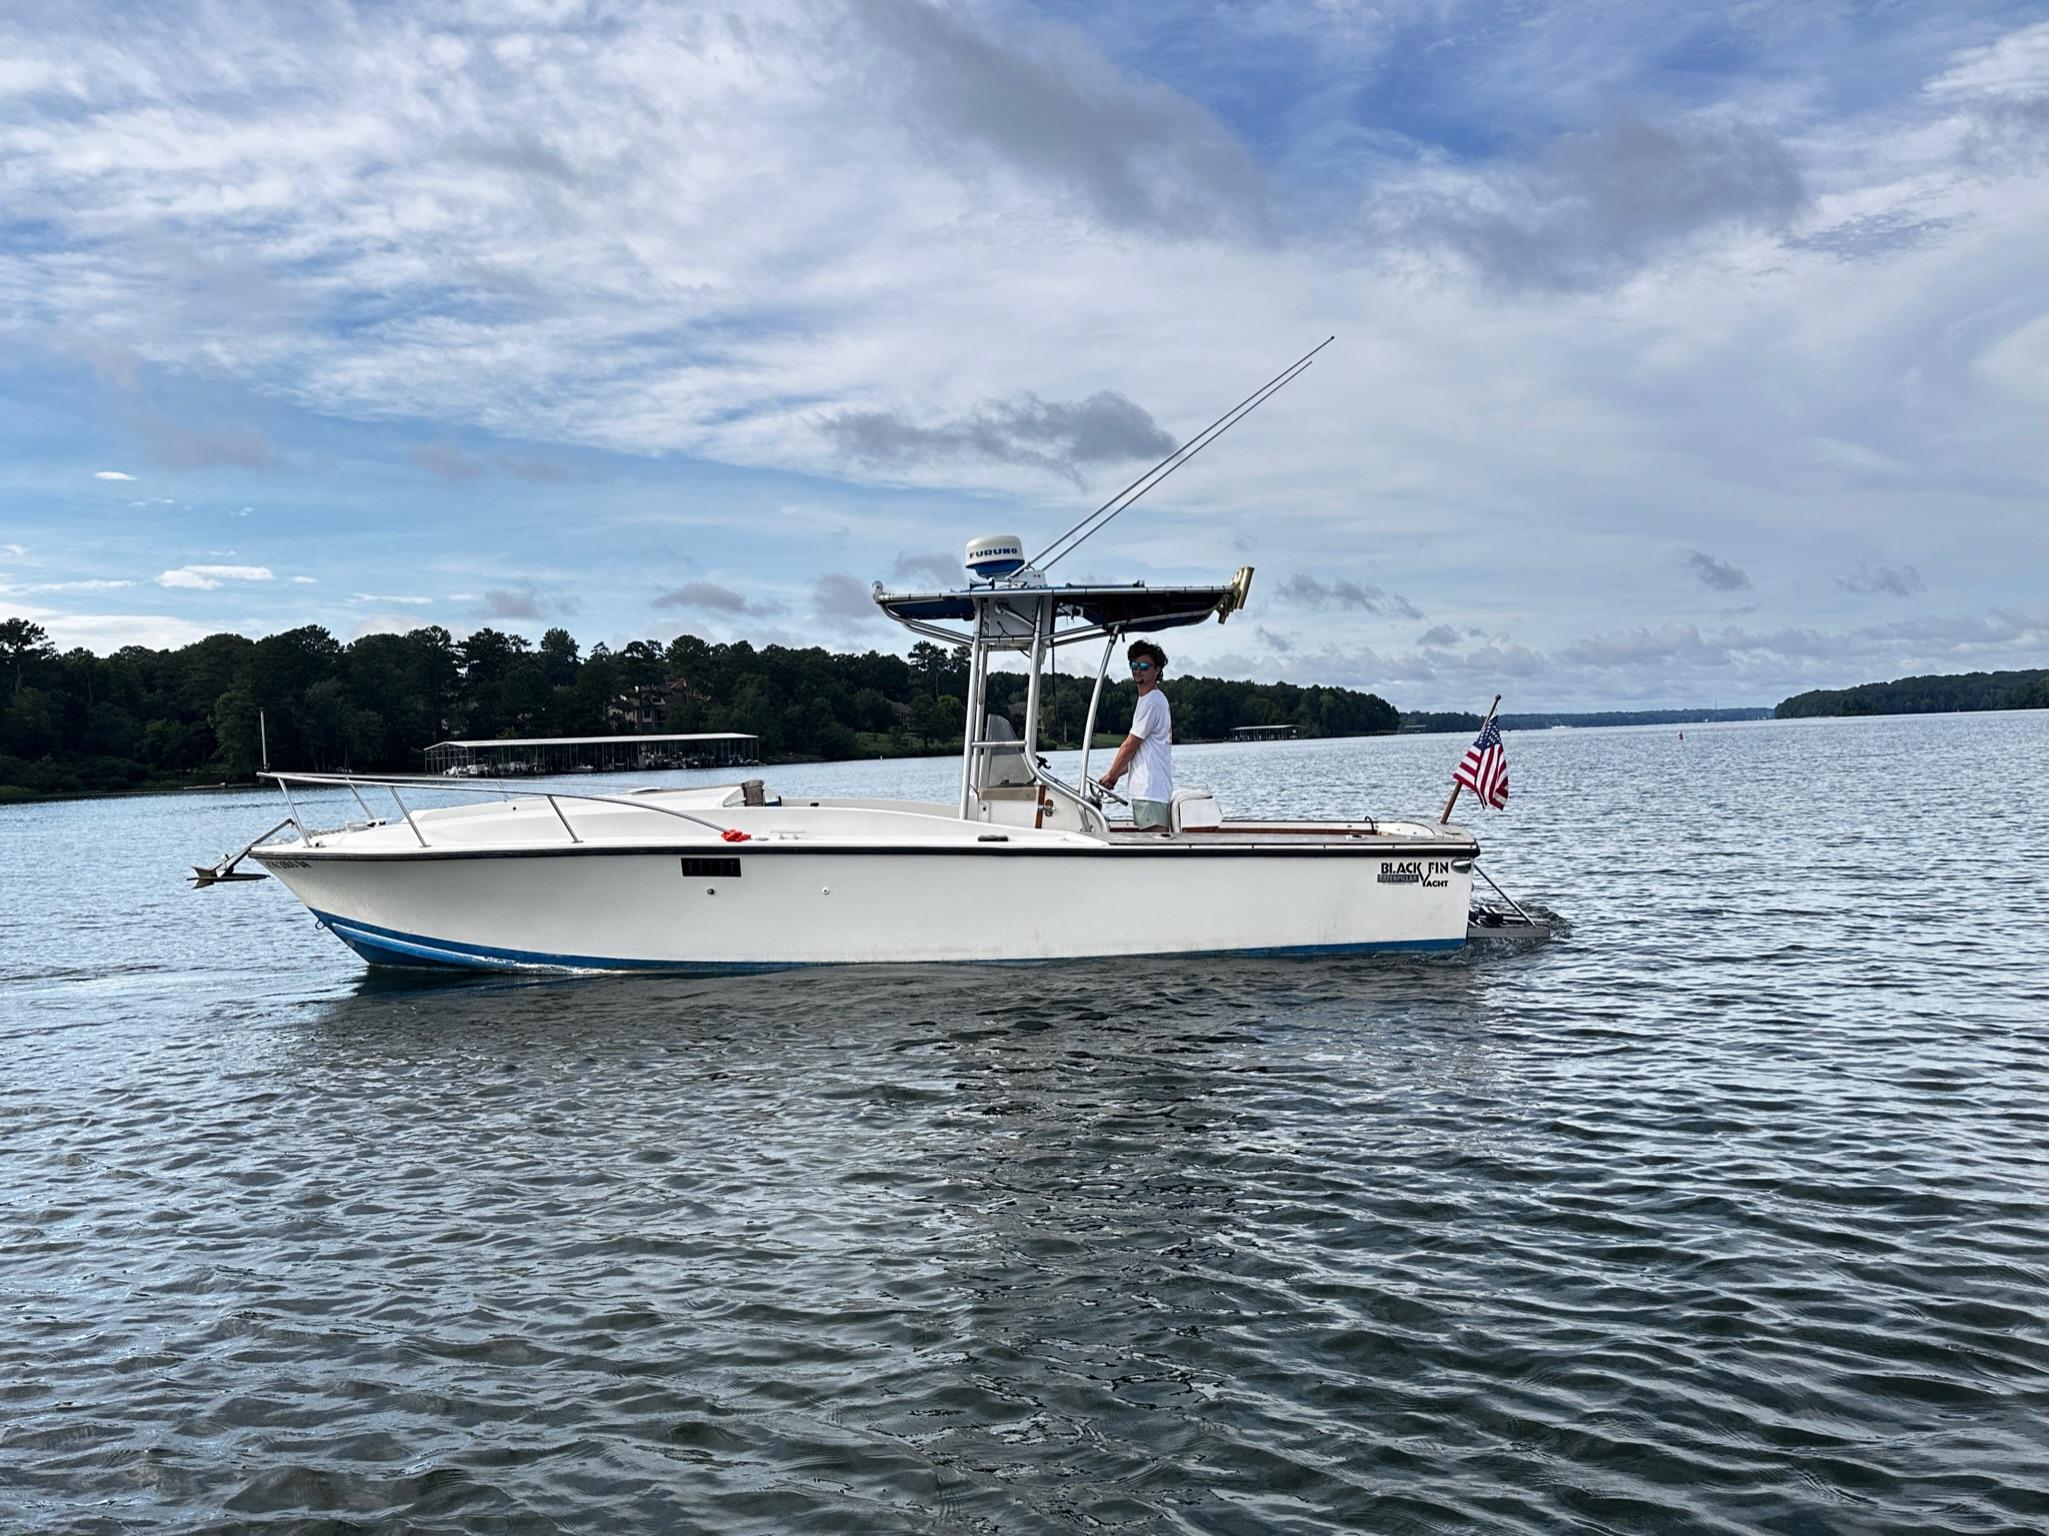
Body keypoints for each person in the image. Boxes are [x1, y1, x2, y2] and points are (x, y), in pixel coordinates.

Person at [1097, 640, 1173, 831]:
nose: (1138, 670)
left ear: (1157, 670)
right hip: (1150, 792)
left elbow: (1129, 746)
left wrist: (1111, 775)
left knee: (1155, 854)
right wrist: (1114, 776)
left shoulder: (1152, 702)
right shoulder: (1150, 700)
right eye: (1134, 665)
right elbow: (1139, 756)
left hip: (1150, 793)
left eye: (1144, 666)